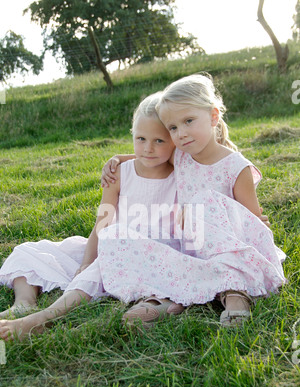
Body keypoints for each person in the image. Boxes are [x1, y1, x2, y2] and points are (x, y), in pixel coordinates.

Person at [100, 73, 286, 328]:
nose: (182, 133)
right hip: (190, 249)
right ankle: (168, 296)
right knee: (115, 236)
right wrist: (116, 160)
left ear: (213, 116)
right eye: (174, 128)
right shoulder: (181, 156)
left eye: (189, 121)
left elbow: (251, 223)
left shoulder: (236, 167)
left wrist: (252, 220)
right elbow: (149, 153)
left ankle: (234, 292)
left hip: (229, 252)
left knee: (203, 203)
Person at [0, 92, 184, 341]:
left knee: (110, 253)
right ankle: (25, 302)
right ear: (132, 134)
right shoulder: (119, 173)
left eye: (159, 141)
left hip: (151, 254)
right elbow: (103, 224)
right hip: (111, 246)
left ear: (174, 140)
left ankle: (41, 320)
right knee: (30, 252)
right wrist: (86, 262)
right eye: (140, 138)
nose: (148, 148)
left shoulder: (182, 173)